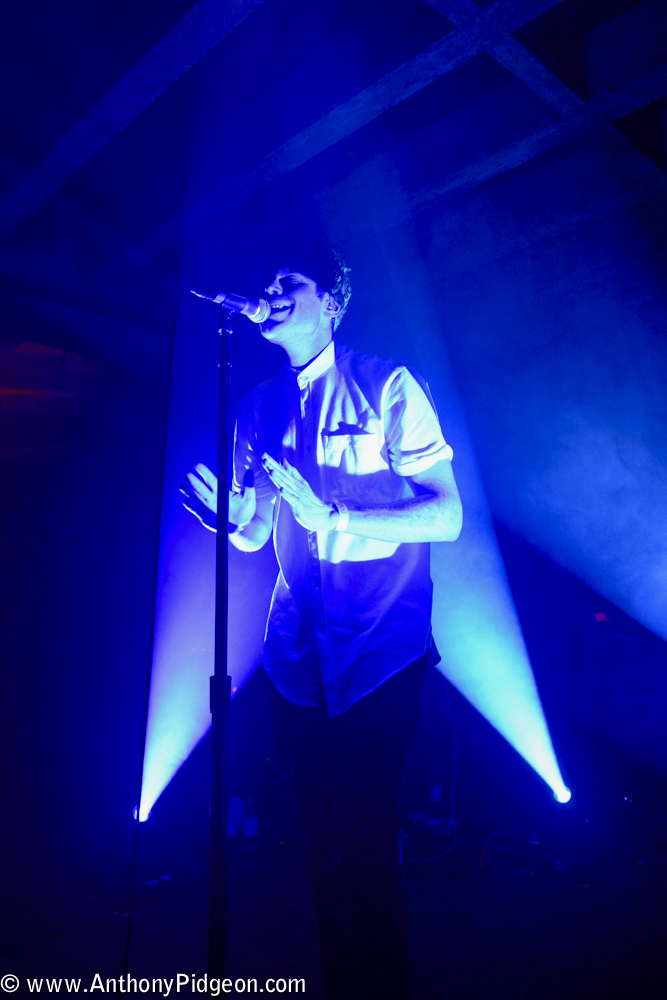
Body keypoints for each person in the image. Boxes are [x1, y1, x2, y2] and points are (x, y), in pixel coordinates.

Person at [182, 240, 462, 1000]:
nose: (269, 292)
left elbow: (447, 515)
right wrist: (233, 520)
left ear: (331, 303)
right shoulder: (255, 405)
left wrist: (334, 511)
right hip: (296, 661)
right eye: (265, 281)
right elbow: (252, 533)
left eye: (288, 283)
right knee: (319, 844)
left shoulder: (388, 385)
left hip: (380, 651)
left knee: (364, 841)